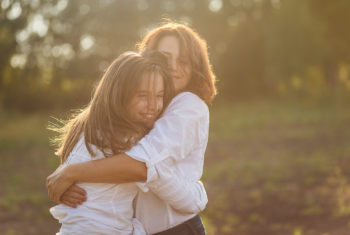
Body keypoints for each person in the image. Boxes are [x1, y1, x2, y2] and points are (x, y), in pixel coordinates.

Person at [47, 21, 217, 235]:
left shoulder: (188, 105)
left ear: (194, 68)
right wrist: (71, 181)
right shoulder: (134, 113)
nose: (172, 66)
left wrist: (71, 173)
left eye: (183, 61)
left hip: (175, 228)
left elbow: (143, 166)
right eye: (165, 57)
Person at [49, 50, 175, 234]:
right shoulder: (126, 136)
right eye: (142, 95)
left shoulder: (86, 126)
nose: (154, 106)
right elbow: (142, 168)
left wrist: (68, 175)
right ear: (120, 95)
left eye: (159, 95)